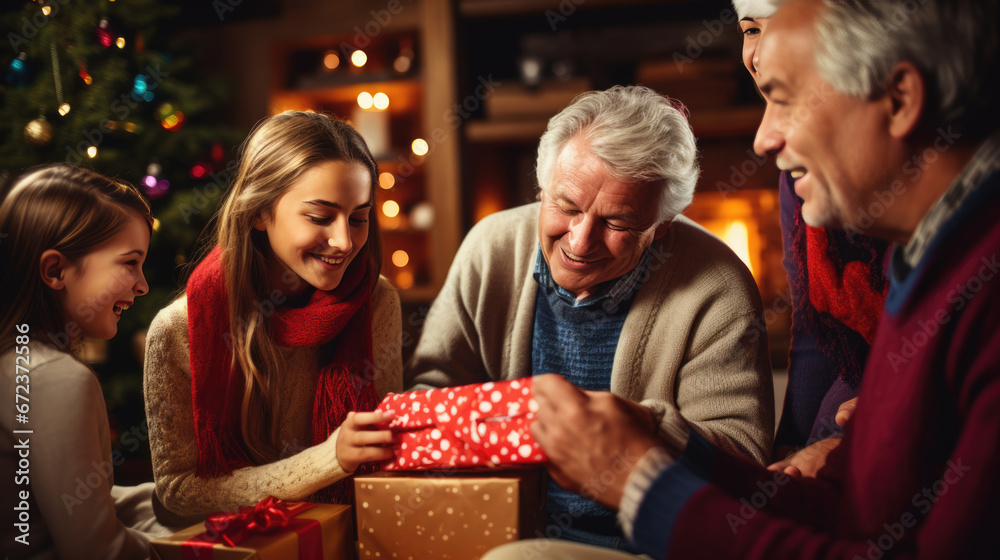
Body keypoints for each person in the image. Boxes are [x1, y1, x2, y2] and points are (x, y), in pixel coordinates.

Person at [486, 0, 1000, 557]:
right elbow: (844, 510)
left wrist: (640, 483)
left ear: (899, 99)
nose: (764, 139)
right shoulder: (924, 264)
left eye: (785, 97)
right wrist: (662, 440)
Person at [407, 85, 774, 550]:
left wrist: (640, 426)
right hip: (496, 526)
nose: (580, 242)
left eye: (617, 222)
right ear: (542, 188)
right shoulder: (490, 246)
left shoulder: (719, 287)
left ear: (660, 229)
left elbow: (744, 460)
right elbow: (428, 392)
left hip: (648, 545)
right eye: (567, 206)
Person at [144, 111, 402, 517]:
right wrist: (327, 459)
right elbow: (180, 490)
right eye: (320, 217)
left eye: (359, 218)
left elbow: (386, 458)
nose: (343, 241)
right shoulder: (177, 329)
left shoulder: (377, 299)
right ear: (260, 212)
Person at [735, 0, 891, 475]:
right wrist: (789, 450)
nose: (757, 55)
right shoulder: (797, 175)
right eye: (749, 29)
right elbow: (812, 330)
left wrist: (886, 411)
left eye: (788, 99)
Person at [0, 165, 171, 559]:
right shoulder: (57, 380)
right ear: (56, 270)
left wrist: (176, 504)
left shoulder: (19, 360)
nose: (143, 285)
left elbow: (66, 499)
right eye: (130, 263)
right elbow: (98, 551)